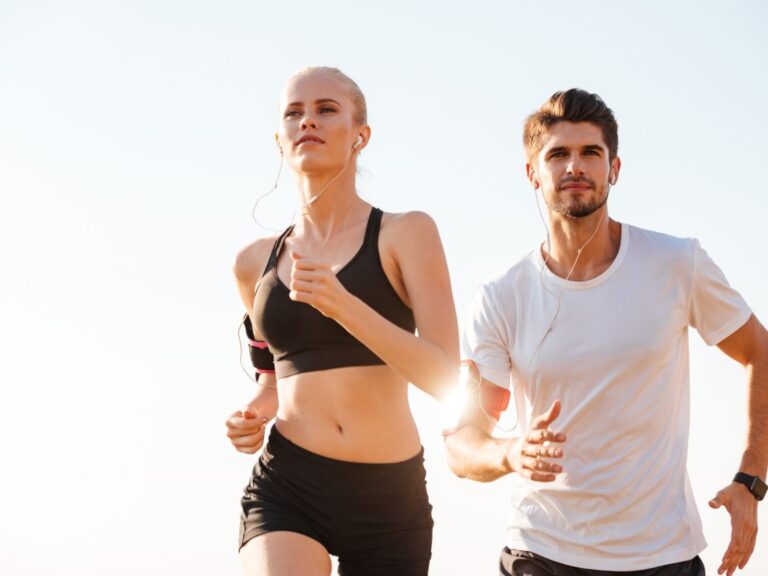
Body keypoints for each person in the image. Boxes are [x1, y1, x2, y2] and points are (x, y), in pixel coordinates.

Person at [445, 89, 768, 576]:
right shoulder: (501, 297)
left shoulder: (677, 263)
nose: (575, 166)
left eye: (590, 153)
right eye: (558, 154)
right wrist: (511, 452)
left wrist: (750, 481)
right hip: (542, 553)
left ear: (613, 169)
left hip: (664, 556)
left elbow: (759, 353)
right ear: (532, 173)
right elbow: (462, 444)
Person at [225, 66, 458, 576]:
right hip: (289, 484)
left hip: (388, 499)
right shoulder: (253, 263)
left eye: (326, 109)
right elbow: (273, 376)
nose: (308, 121)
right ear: (280, 139)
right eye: (294, 113)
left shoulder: (407, 234)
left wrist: (344, 304)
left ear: (361, 135)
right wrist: (253, 413)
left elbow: (445, 375)